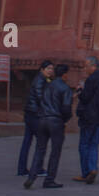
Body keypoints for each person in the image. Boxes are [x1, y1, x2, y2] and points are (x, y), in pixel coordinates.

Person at [24, 61, 72, 189]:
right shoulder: (65, 88)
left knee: (40, 149)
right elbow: (66, 108)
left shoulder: (47, 85)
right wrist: (65, 119)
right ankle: (49, 179)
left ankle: (31, 176)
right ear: (65, 75)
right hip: (55, 120)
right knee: (55, 151)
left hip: (42, 119)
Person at [73, 55, 99, 184]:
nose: (85, 69)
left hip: (89, 117)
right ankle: (93, 168)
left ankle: (87, 172)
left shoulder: (91, 79)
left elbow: (86, 97)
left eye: (86, 66)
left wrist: (80, 90)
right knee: (94, 144)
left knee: (84, 144)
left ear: (93, 66)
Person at [17, 61, 54, 176]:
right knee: (41, 141)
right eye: (48, 68)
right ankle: (37, 168)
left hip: (30, 113)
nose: (50, 70)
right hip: (34, 114)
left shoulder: (43, 79)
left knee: (27, 141)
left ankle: (22, 169)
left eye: (52, 68)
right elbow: (40, 97)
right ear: (42, 69)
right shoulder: (40, 80)